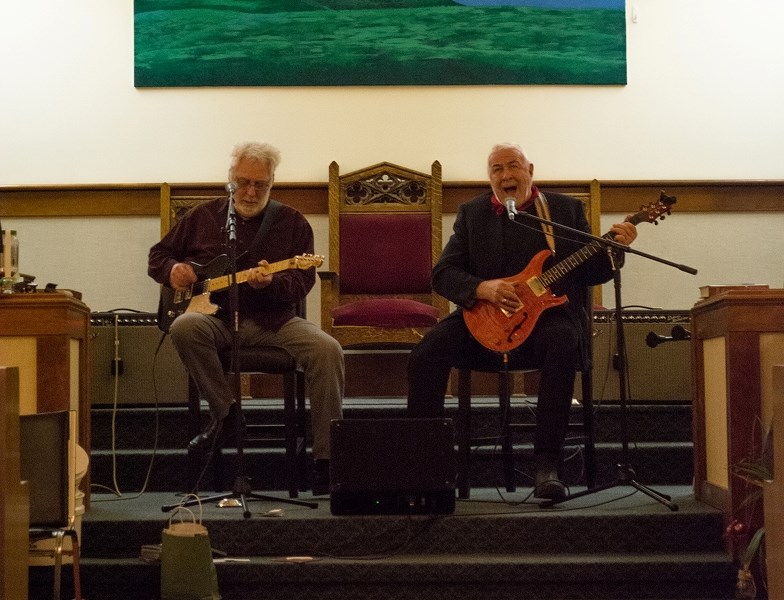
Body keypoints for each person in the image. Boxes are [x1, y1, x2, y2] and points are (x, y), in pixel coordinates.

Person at [407, 143, 637, 500]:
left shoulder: (563, 210)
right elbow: (442, 274)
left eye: (512, 166)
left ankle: (547, 465)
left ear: (530, 169)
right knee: (425, 353)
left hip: (546, 323)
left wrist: (615, 252)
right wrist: (482, 288)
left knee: (563, 341)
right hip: (482, 323)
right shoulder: (472, 213)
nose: (505, 175)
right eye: (496, 169)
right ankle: (426, 466)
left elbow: (590, 273)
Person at [148, 141, 344, 496]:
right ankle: (226, 413)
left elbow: (301, 282)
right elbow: (157, 256)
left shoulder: (292, 223)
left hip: (273, 321)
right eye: (243, 182)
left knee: (327, 349)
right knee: (184, 326)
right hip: (215, 320)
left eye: (261, 184)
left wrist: (272, 282)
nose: (250, 191)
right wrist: (173, 270)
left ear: (272, 183)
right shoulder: (202, 217)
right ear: (230, 181)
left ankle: (328, 463)